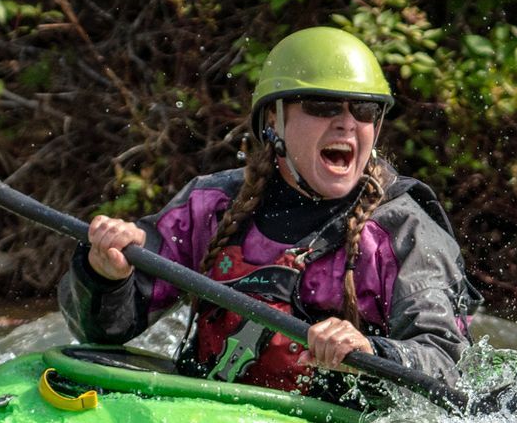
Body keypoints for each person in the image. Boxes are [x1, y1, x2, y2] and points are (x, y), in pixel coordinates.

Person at [59, 27, 479, 403]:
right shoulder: (213, 207)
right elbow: (102, 333)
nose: (347, 124)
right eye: (322, 106)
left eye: (364, 111)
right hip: (205, 416)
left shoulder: (404, 232)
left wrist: (371, 353)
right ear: (273, 122)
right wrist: (105, 274)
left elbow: (446, 360)